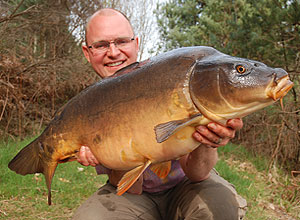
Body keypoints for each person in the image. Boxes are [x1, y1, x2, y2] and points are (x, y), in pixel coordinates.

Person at [72, 8, 247, 220]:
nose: (113, 52)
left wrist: (210, 138)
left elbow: (197, 173)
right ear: (87, 52)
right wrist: (104, 157)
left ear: (136, 43)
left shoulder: (168, 77)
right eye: (101, 45)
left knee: (219, 205)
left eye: (122, 42)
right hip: (132, 194)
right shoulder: (91, 107)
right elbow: (131, 188)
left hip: (186, 184)